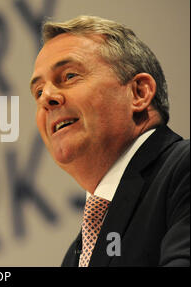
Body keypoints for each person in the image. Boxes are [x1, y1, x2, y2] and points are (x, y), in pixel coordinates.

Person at [29, 15, 189, 266]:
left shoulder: (182, 171)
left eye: (69, 76)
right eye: (38, 91)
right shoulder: (75, 256)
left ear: (139, 93)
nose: (46, 97)